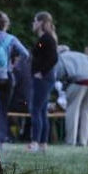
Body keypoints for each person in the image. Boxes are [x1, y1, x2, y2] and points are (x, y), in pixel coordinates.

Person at [0, 11, 28, 145]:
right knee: (3, 110)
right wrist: (13, 65)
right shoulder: (11, 39)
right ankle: (0, 140)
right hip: (6, 78)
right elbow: (25, 54)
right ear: (6, 24)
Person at [54, 46, 88, 147]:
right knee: (87, 113)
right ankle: (84, 141)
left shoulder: (61, 57)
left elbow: (58, 74)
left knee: (72, 111)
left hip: (78, 81)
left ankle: (71, 141)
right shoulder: (83, 56)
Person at [28, 11, 58, 152]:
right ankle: (42, 144)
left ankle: (35, 142)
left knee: (36, 109)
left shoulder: (47, 39)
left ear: (40, 23)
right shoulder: (44, 39)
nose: (33, 24)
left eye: (35, 21)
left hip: (43, 79)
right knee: (42, 111)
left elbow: (53, 59)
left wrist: (42, 72)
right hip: (44, 78)